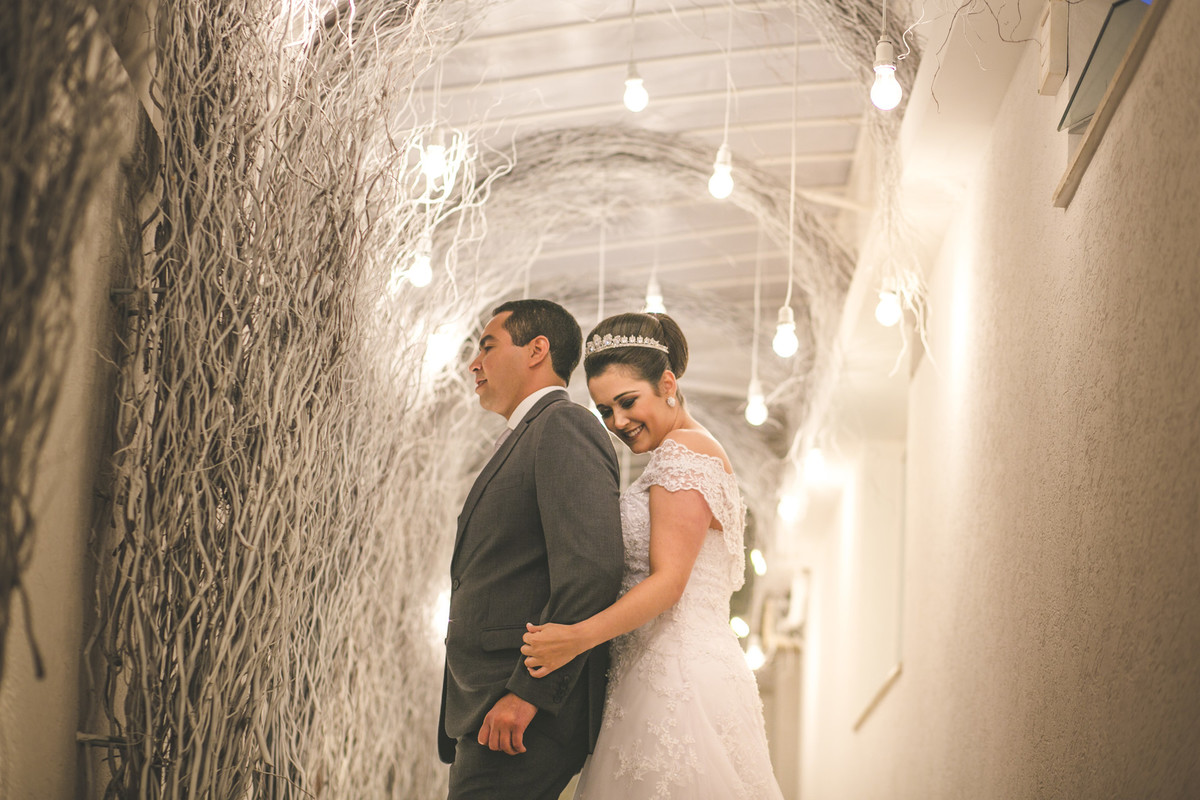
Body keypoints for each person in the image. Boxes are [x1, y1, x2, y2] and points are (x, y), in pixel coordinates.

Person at [520, 311, 785, 800]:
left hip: (676, 677)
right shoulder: (693, 450)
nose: (617, 422)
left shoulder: (682, 455)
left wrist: (575, 638)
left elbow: (668, 584)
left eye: (627, 402)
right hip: (666, 667)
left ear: (667, 384)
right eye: (605, 411)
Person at [438, 299, 624, 800]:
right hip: (489, 704)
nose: (474, 363)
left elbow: (591, 569)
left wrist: (529, 693)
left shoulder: (564, 425)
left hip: (520, 710)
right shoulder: (526, 434)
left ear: (537, 350)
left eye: (488, 347)